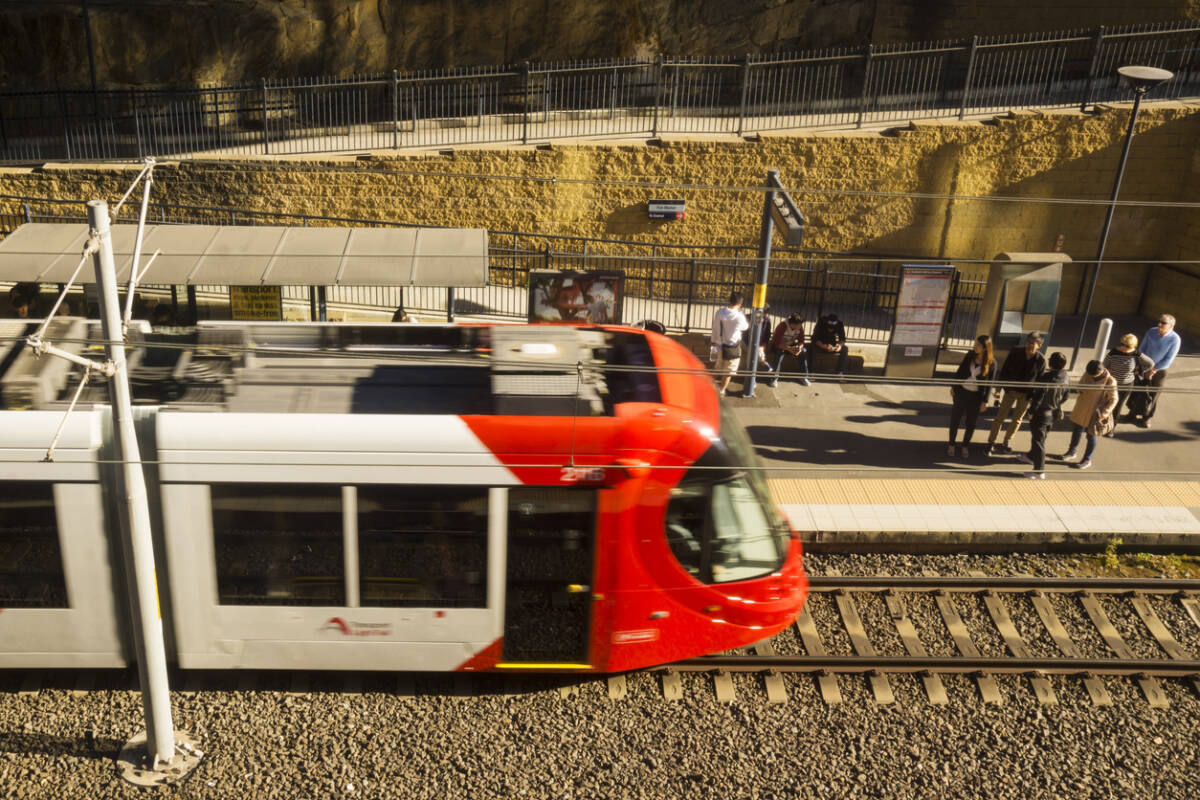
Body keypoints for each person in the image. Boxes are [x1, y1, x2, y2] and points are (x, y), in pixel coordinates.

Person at [986, 332, 1045, 455]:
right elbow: (1005, 369)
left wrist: (1033, 399)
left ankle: (1007, 441)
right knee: (999, 417)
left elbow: (1040, 381)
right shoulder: (1016, 352)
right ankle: (991, 441)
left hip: (1026, 395)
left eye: (1032, 343)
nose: (1029, 345)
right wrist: (999, 389)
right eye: (1028, 342)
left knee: (1017, 419)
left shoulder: (1041, 360)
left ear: (1039, 346)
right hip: (1010, 391)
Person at [1018, 351, 1070, 479]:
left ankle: (1039, 471)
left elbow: (1038, 397)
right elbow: (1066, 396)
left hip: (1041, 413)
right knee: (1041, 437)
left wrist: (1031, 411)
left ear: (1051, 363)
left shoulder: (1047, 377)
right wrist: (1057, 403)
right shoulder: (1065, 376)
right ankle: (1031, 456)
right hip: (1053, 413)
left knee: (1038, 442)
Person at [1060, 359, 1118, 470]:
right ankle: (1072, 451)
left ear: (1101, 371)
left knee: (1091, 436)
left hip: (1096, 414)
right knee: (1077, 430)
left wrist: (1103, 414)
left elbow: (1114, 400)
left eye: (1095, 375)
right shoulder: (1088, 373)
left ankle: (1087, 459)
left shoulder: (1110, 381)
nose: (1092, 377)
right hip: (1082, 408)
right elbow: (1080, 385)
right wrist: (1082, 389)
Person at [1126, 313, 1181, 429]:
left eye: (1163, 323)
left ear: (1171, 325)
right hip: (1145, 366)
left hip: (1159, 371)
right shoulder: (1151, 331)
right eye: (1159, 321)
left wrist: (1154, 369)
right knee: (1137, 391)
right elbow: (1142, 348)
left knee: (1153, 395)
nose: (1159, 324)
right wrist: (1141, 363)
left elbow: (1168, 359)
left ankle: (1146, 418)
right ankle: (1132, 414)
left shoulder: (1175, 339)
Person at [947, 334, 995, 458]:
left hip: (976, 397)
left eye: (978, 345)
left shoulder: (992, 363)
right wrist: (953, 386)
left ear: (985, 348)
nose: (975, 346)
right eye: (975, 344)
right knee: (955, 419)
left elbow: (990, 384)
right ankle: (951, 444)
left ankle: (965, 446)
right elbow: (960, 371)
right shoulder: (970, 355)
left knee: (971, 423)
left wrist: (985, 401)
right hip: (961, 392)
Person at [1102, 333, 1153, 435]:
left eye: (1127, 346)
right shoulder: (1113, 352)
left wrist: (1139, 371)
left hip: (1126, 385)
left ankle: (1111, 428)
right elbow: (1104, 366)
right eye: (1122, 344)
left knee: (1118, 406)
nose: (1123, 347)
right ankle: (1102, 422)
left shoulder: (1136, 354)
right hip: (1111, 384)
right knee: (1107, 404)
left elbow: (1150, 364)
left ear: (1133, 346)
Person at [709, 291, 749, 397]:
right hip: (733, 348)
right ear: (740, 303)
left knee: (718, 367)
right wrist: (741, 313)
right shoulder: (739, 316)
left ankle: (709, 386)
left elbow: (715, 329)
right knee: (728, 371)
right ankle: (721, 390)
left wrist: (713, 341)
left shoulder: (720, 312)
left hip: (720, 346)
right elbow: (745, 327)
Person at [767, 312, 811, 388]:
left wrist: (799, 347)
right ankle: (774, 378)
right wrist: (789, 349)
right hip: (779, 346)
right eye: (799, 324)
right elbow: (776, 343)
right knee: (779, 354)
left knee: (803, 352)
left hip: (791, 345)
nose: (801, 326)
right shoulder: (782, 326)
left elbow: (801, 340)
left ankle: (803, 376)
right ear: (793, 324)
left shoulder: (799, 328)